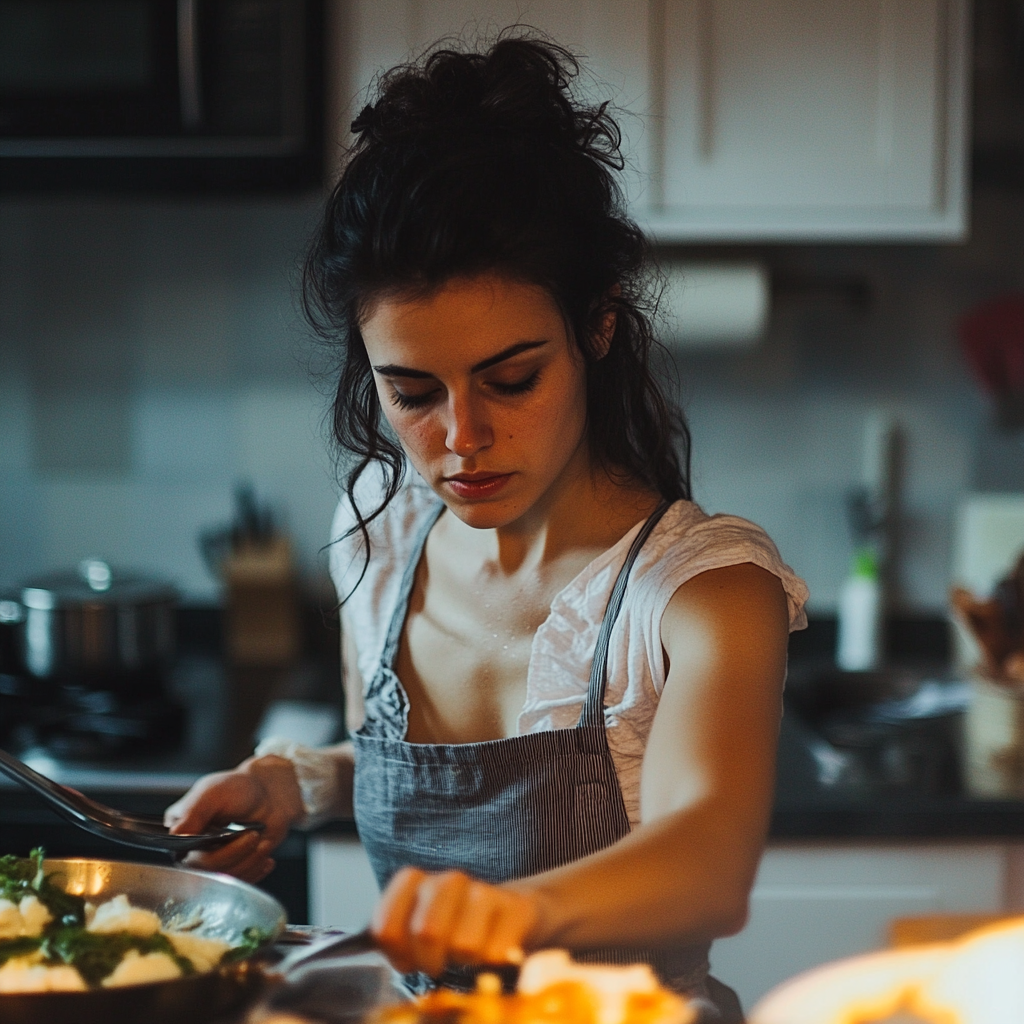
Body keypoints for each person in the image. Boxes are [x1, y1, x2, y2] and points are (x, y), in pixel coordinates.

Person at [165, 34, 808, 1021]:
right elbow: (442, 784)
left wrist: (506, 913)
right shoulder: (378, 540)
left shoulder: (703, 589)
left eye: (512, 379)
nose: (463, 439)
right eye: (412, 390)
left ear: (596, 324)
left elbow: (707, 854)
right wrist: (300, 784)